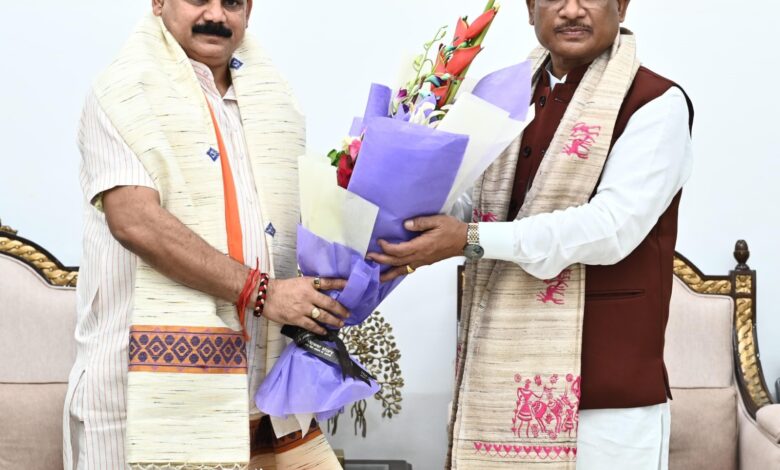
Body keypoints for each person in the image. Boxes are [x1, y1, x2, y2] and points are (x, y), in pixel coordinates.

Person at [369, 0, 693, 468]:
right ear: (529, 8)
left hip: (606, 399)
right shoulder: (503, 96)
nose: (572, 10)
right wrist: (397, 200)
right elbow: (472, 200)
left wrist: (469, 238)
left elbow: (609, 228)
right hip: (498, 384)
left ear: (621, 6)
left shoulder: (656, 103)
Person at [63, 1, 347, 468]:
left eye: (232, 2)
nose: (216, 14)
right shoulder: (123, 93)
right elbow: (135, 222)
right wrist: (263, 293)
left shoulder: (275, 102)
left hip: (253, 390)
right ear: (159, 2)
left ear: (249, 9)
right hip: (137, 393)